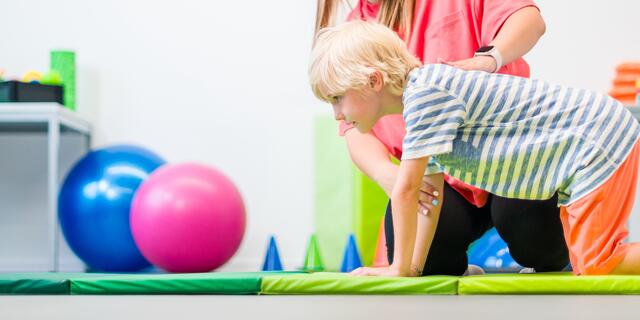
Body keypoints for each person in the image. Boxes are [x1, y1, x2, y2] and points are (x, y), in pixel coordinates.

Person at [309, 20, 640, 276]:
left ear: (374, 80)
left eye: (337, 98)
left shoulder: (426, 95)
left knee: (598, 263)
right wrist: (412, 269)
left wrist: (396, 270)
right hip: (590, 138)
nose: (337, 114)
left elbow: (407, 189)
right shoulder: (425, 99)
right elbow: (431, 198)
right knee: (586, 260)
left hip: (595, 137)